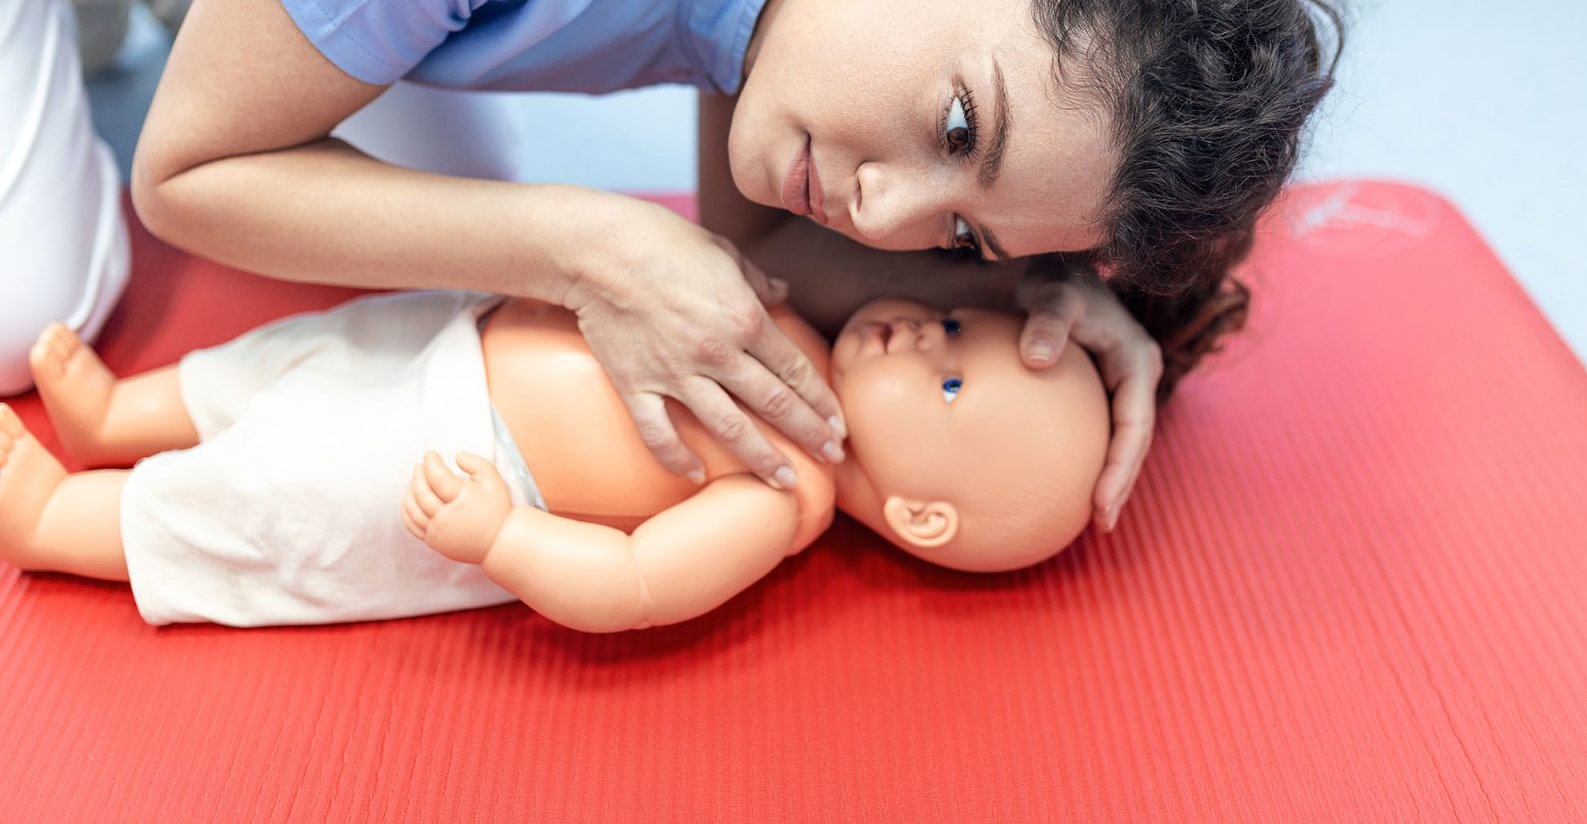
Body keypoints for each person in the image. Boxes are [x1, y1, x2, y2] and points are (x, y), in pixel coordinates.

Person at [0, 0, 1343, 535]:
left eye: (961, 228)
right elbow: (184, 178)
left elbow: (761, 256)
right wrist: (584, 241)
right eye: (955, 127)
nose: (878, 213)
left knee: (418, 214)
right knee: (27, 309)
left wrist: (1047, 305)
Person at [0, 289, 1109, 630]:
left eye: (950, 380)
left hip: (460, 455)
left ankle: (67, 522)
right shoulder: (808, 324)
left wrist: (503, 536)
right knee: (280, 358)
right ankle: (123, 417)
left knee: (278, 501)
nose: (929, 337)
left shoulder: (786, 495)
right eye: (960, 323)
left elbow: (632, 587)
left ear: (920, 514)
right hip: (453, 330)